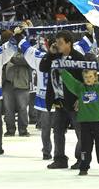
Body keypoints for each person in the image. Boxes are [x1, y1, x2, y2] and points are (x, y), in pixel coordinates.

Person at [39, 30, 85, 169]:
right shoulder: (54, 57)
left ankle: (82, 159)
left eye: (60, 43)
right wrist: (50, 53)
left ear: (69, 43)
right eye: (56, 42)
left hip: (74, 102)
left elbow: (85, 80)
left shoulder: (78, 58)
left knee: (81, 132)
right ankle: (60, 159)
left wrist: (81, 98)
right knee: (58, 131)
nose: (57, 45)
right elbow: (43, 68)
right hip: (59, 101)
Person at [60, 69, 99, 176]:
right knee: (85, 147)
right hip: (84, 123)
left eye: (90, 77)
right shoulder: (80, 88)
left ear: (95, 77)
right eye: (86, 77)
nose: (88, 79)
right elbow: (70, 81)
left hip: (97, 122)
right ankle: (84, 167)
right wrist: (62, 72)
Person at [3, 50, 31, 137]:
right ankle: (10, 130)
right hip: (7, 83)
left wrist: (10, 58)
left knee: (22, 108)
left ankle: (23, 130)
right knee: (8, 109)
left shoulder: (27, 52)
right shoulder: (6, 50)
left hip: (22, 83)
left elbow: (26, 60)